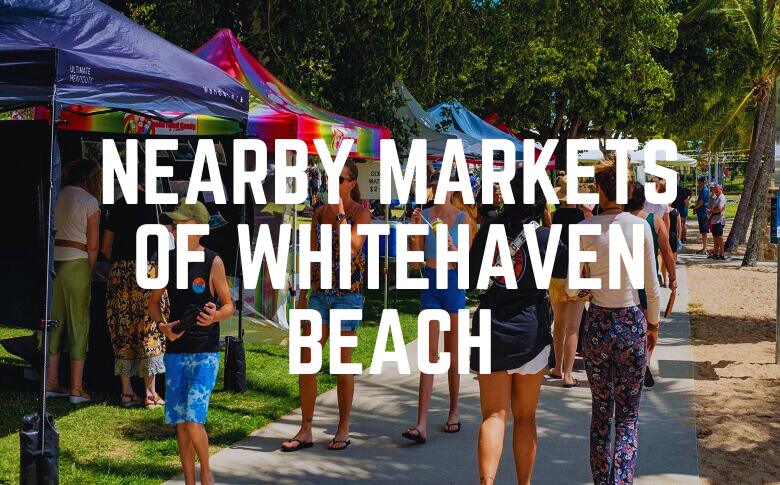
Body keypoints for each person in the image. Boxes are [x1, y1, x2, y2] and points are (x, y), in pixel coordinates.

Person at [469, 171, 568, 485]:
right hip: (530, 330)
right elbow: (566, 270)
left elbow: (472, 278)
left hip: (491, 326)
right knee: (525, 417)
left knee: (494, 415)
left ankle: (487, 482)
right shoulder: (544, 238)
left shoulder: (490, 230)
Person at [571, 157, 660, 485]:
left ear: (598, 189)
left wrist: (589, 282)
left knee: (600, 415)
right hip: (632, 324)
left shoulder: (584, 229)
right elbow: (652, 285)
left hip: (597, 327)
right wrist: (654, 326)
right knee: (627, 419)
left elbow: (572, 287)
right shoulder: (640, 227)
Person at [282, 160, 370, 452]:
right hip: (320, 293)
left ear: (352, 184)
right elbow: (310, 255)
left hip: (348, 293)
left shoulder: (361, 214)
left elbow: (354, 247)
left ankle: (343, 427)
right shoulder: (319, 213)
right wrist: (304, 295)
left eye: (342, 179)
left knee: (343, 364)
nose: (336, 184)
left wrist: (343, 216)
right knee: (307, 359)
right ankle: (306, 428)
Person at [151, 200, 234, 485]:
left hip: (204, 353)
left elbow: (228, 306)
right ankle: (189, 480)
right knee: (182, 425)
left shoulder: (213, 261)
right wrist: (164, 326)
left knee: (193, 419)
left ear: (199, 229)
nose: (173, 228)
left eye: (180, 223)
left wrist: (214, 317)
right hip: (175, 353)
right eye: (173, 224)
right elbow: (152, 303)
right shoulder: (169, 261)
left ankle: (206, 475)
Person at [401, 172, 473, 444]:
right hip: (431, 283)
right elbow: (417, 262)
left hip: (454, 283)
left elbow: (467, 263)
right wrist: (415, 231)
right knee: (429, 355)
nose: (437, 189)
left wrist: (453, 246)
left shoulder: (463, 219)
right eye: (434, 185)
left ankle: (453, 411)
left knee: (453, 353)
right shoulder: (426, 215)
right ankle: (421, 424)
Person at [102, 177, 168, 408]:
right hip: (147, 269)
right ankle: (150, 393)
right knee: (149, 326)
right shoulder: (154, 205)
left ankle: (127, 392)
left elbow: (105, 246)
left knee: (124, 328)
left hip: (120, 272)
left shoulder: (118, 205)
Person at [45, 158, 101, 404]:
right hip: (78, 261)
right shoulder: (90, 202)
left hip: (54, 260)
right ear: (89, 178)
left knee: (53, 322)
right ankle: (77, 388)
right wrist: (88, 270)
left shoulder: (56, 194)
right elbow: (94, 244)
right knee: (79, 324)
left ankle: (51, 381)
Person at [625, 182, 677, 388]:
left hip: (623, 279)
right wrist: (672, 277)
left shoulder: (618, 220)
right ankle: (644, 362)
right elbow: (666, 250)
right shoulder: (653, 220)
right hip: (647, 278)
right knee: (650, 324)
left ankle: (631, 363)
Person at [548, 176, 586, 388]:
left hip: (557, 273)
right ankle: (568, 374)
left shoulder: (556, 216)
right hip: (578, 273)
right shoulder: (583, 216)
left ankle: (557, 367)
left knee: (559, 323)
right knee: (574, 326)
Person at [708, 184, 727, 260]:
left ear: (720, 189)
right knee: (715, 238)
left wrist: (711, 211)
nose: (715, 191)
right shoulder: (717, 197)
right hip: (714, 220)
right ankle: (715, 253)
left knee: (719, 237)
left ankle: (722, 253)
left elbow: (720, 209)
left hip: (719, 220)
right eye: (714, 190)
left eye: (716, 189)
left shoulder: (722, 197)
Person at [692, 177, 710, 255]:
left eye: (699, 182)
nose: (698, 184)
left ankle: (705, 249)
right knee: (703, 231)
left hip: (703, 213)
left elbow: (701, 203)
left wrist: (694, 208)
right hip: (701, 213)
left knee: (704, 231)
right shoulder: (703, 190)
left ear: (703, 182)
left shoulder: (704, 191)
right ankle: (704, 248)